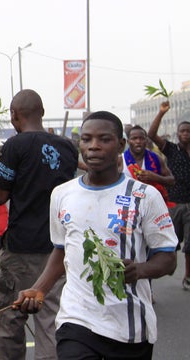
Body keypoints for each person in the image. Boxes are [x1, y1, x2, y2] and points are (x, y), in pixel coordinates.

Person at [15, 110, 177, 359]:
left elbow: (168, 259)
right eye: (87, 139)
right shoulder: (62, 194)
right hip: (76, 319)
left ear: (120, 145)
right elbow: (62, 248)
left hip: (129, 326)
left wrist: (140, 271)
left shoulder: (145, 196)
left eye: (104, 139)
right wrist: (39, 289)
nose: (93, 147)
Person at [0, 89, 78, 360]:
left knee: (10, 317)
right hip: (59, 247)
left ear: (14, 115)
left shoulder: (15, 146)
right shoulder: (67, 147)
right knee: (51, 318)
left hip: (21, 247)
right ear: (41, 112)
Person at [147, 101, 190, 289]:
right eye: (182, 131)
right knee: (171, 241)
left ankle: (187, 276)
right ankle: (167, 265)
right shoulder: (172, 149)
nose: (186, 134)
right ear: (178, 133)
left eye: (189, 131)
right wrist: (161, 113)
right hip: (174, 203)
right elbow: (151, 135)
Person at [122, 125, 175, 207]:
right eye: (134, 138)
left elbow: (171, 180)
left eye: (141, 138)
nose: (138, 141)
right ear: (128, 141)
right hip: (128, 207)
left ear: (146, 141)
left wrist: (156, 177)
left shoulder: (156, 158)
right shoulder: (120, 161)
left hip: (153, 207)